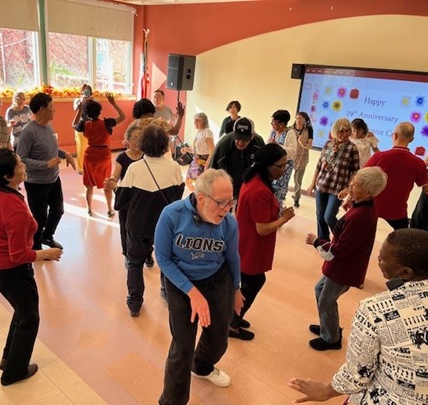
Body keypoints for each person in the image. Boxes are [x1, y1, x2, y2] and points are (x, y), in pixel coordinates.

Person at [289, 228, 428, 405]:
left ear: (406, 273)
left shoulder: (375, 309)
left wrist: (326, 391)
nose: (378, 259)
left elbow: (358, 376)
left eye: (382, 258)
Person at [0, 148, 62, 386]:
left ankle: (8, 359)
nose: (23, 165)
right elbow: (17, 255)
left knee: (21, 310)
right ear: (7, 176)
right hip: (9, 269)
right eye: (18, 164)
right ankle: (14, 372)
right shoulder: (14, 208)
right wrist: (46, 254)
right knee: (29, 317)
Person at [155, 169, 243, 405]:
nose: (227, 209)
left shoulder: (229, 223)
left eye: (231, 202)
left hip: (216, 279)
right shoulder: (172, 215)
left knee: (218, 338)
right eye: (221, 202)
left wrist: (236, 288)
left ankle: (202, 366)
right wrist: (192, 293)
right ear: (200, 197)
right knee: (183, 347)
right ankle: (171, 401)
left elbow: (233, 257)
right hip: (180, 280)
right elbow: (162, 259)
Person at [305, 167, 387, 351]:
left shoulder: (361, 216)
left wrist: (316, 241)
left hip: (345, 267)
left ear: (367, 191)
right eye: (353, 181)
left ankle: (331, 338)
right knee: (320, 290)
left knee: (327, 299)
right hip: (341, 264)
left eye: (355, 184)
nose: (350, 186)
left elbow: (342, 249)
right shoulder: (362, 206)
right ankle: (328, 327)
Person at [113, 125, 185, 316]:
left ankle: (135, 302)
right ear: (164, 145)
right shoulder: (175, 168)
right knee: (167, 262)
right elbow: (178, 199)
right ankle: (167, 293)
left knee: (135, 264)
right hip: (166, 226)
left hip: (137, 225)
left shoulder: (135, 169)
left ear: (143, 145)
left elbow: (119, 203)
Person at [230, 144, 295, 341]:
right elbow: (262, 228)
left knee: (250, 283)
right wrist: (284, 218)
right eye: (281, 166)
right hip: (252, 246)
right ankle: (232, 324)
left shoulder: (254, 180)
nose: (284, 170)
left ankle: (234, 317)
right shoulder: (260, 191)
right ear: (267, 165)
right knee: (252, 284)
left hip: (247, 242)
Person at [365, 122, 428, 230]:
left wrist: (350, 196)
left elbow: (361, 178)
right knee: (404, 239)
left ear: (394, 135)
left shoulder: (378, 157)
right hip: (397, 212)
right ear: (412, 139)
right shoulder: (417, 163)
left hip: (371, 207)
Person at [18, 93, 76, 251]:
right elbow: (21, 158)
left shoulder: (48, 127)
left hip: (53, 179)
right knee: (39, 218)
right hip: (36, 183)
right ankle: (35, 247)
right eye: (52, 108)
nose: (55, 110)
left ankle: (47, 236)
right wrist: (46, 164)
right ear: (42, 110)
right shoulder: (28, 132)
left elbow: (51, 148)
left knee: (58, 210)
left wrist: (65, 154)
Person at [72, 94, 126, 217]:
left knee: (88, 183)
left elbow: (73, 124)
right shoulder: (107, 123)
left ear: (86, 113)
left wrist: (79, 110)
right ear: (100, 111)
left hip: (90, 154)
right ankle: (109, 208)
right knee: (106, 182)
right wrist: (113, 103)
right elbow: (123, 117)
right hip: (104, 154)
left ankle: (89, 208)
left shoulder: (84, 125)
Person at [309, 118, 360, 240]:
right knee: (320, 216)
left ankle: (342, 238)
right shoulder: (328, 144)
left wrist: (348, 189)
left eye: (347, 131)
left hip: (338, 188)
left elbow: (355, 171)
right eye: (341, 131)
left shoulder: (352, 148)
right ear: (335, 131)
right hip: (322, 184)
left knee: (329, 216)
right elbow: (319, 165)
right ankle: (323, 241)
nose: (345, 135)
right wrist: (312, 183)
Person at [104, 125, 143, 266]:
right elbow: (116, 175)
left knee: (143, 226)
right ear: (127, 140)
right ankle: (127, 254)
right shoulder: (122, 157)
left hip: (142, 198)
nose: (137, 141)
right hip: (125, 197)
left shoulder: (147, 156)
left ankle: (147, 252)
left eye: (140, 138)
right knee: (125, 226)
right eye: (134, 138)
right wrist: (112, 181)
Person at [208, 117, 265, 199]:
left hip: (248, 185)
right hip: (227, 184)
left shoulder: (258, 144)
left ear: (252, 136)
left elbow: (263, 168)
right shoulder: (224, 144)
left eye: (245, 139)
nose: (240, 143)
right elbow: (213, 170)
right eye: (237, 138)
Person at [268, 109, 296, 215]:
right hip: (271, 166)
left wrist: (277, 145)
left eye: (274, 122)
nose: (272, 124)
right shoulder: (273, 132)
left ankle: (276, 215)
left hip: (283, 167)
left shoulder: (290, 133)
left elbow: (293, 152)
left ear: (282, 123)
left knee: (278, 191)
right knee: (270, 189)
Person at [181, 112, 215, 191]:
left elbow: (213, 149)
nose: (195, 122)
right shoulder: (199, 132)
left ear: (204, 121)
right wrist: (186, 149)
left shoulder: (207, 132)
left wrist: (207, 164)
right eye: (195, 120)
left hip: (203, 162)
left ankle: (198, 197)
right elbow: (197, 150)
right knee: (188, 181)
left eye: (198, 120)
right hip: (196, 161)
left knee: (200, 184)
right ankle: (195, 196)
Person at [73, 84, 93, 174]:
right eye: (83, 91)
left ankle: (90, 166)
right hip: (80, 126)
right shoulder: (77, 100)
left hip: (91, 126)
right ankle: (81, 168)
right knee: (81, 148)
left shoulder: (93, 101)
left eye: (87, 91)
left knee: (91, 148)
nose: (85, 92)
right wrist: (82, 101)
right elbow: (76, 109)